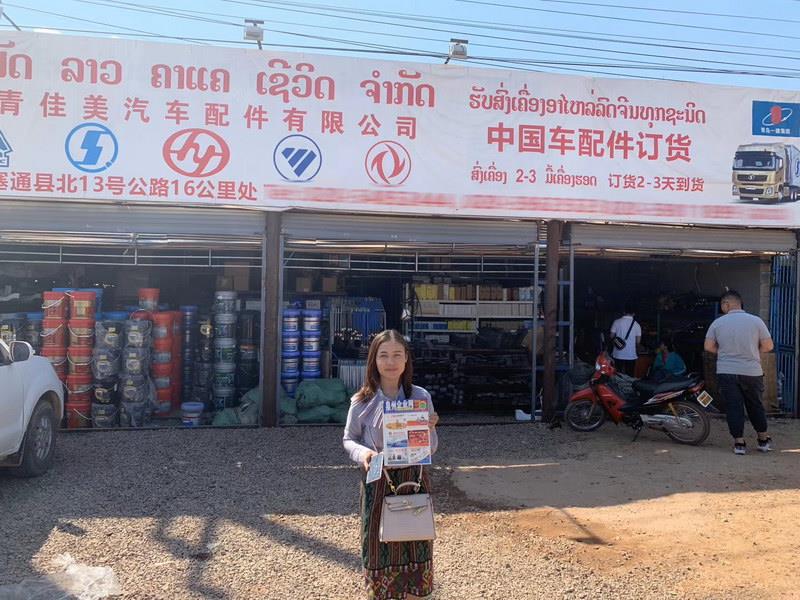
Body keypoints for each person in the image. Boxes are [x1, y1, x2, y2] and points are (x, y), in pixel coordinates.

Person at [343, 329, 439, 600]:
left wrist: (429, 428)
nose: (390, 362)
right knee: (378, 540)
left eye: (397, 354)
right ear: (374, 360)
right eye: (383, 355)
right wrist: (364, 454)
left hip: (414, 478)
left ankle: (416, 592)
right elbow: (349, 438)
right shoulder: (362, 401)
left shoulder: (420, 396)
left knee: (416, 537)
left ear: (406, 359)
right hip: (378, 479)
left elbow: (431, 447)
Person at [704, 290, 774, 455]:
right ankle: (763, 440)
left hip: (726, 371)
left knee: (733, 406)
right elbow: (768, 346)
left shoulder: (717, 323)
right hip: (751, 371)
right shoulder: (756, 321)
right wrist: (753, 352)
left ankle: (739, 444)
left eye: (722, 305)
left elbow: (708, 346)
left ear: (726, 304)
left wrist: (723, 353)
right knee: (755, 405)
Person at [609, 303, 641, 377]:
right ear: (634, 313)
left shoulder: (616, 322)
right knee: (629, 376)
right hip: (631, 355)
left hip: (617, 354)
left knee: (617, 376)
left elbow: (611, 336)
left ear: (623, 312)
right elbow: (638, 342)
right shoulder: (637, 325)